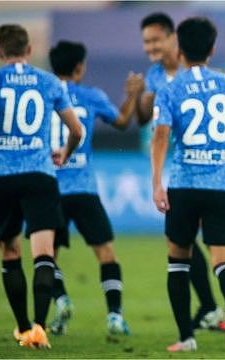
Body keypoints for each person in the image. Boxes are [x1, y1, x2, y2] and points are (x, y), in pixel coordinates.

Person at [151, 17, 225, 353]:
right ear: (212, 49)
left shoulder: (169, 89)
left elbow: (161, 136)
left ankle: (186, 338)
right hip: (223, 185)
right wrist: (222, 157)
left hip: (184, 185)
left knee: (178, 260)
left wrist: (156, 183)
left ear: (178, 49)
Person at [0, 24, 83, 349]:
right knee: (44, 255)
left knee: (10, 253)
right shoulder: (49, 81)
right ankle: (41, 327)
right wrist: (65, 152)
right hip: (40, 176)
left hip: (1, 177)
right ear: (29, 50)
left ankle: (22, 327)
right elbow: (77, 130)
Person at [132, 12, 225, 332]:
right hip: (176, 166)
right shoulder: (154, 75)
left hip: (203, 167)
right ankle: (214, 307)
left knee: (211, 243)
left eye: (156, 39)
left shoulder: (194, 71)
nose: (150, 47)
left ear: (174, 39)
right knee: (189, 241)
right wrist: (137, 95)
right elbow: (144, 118)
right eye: (146, 41)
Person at [45, 40, 140, 338]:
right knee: (106, 253)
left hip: (49, 189)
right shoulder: (90, 96)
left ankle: (61, 303)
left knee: (47, 256)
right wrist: (132, 96)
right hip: (84, 189)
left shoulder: (42, 94)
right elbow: (123, 122)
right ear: (79, 67)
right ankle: (114, 316)